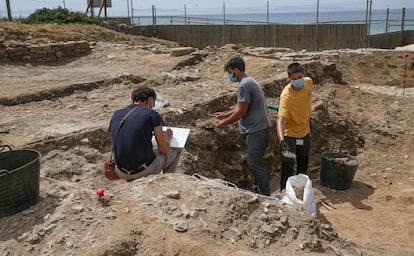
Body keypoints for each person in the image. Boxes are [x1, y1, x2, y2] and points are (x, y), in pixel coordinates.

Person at [214, 56, 272, 196]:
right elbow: (242, 106)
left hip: (256, 130)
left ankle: (265, 196)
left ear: (236, 70)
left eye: (230, 72)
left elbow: (241, 111)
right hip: (258, 128)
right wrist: (225, 115)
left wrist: (224, 123)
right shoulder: (249, 81)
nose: (229, 76)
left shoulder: (245, 85)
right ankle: (258, 190)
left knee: (254, 164)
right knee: (255, 162)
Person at [108, 86, 182, 181]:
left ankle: (133, 180)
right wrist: (167, 137)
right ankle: (168, 182)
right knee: (176, 150)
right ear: (150, 101)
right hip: (143, 171)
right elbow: (164, 149)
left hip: (120, 171)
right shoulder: (151, 114)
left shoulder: (117, 113)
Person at [277, 62, 313, 191]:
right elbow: (280, 120)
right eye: (294, 79)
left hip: (304, 131)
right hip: (290, 134)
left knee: (303, 162)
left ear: (303, 75)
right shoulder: (287, 96)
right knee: (288, 165)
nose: (298, 81)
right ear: (289, 78)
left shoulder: (308, 82)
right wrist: (282, 141)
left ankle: (301, 189)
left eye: (299, 77)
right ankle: (284, 192)